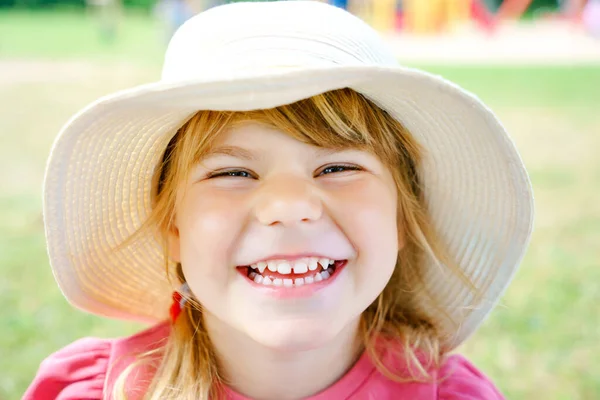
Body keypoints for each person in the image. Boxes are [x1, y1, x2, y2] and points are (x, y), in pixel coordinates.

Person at [24, 1, 534, 399]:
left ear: (402, 217)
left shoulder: (452, 395)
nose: (289, 205)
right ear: (173, 229)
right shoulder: (101, 392)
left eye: (338, 167)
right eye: (233, 172)